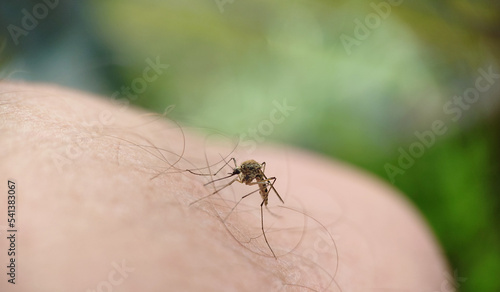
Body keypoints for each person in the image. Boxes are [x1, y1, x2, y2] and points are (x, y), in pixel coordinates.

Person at [0, 82, 452, 291]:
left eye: (245, 175)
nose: (243, 177)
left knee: (255, 188)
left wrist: (259, 189)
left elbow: (252, 173)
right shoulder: (242, 167)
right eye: (243, 175)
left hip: (261, 179)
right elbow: (235, 168)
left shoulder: (255, 176)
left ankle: (261, 203)